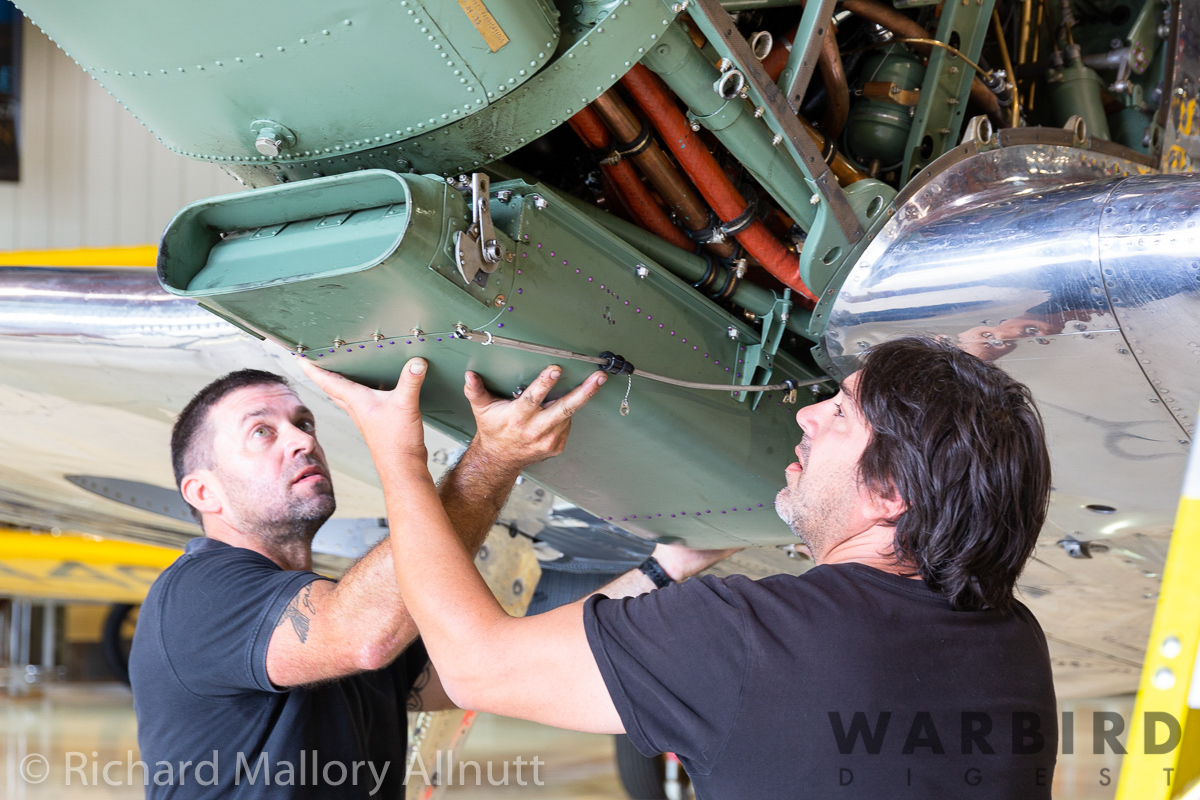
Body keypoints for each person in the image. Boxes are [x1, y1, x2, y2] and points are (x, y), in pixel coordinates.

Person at [302, 335, 1059, 799]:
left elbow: (476, 667)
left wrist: (400, 457)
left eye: (839, 414)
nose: (805, 414)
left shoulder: (755, 638)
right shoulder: (1011, 640)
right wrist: (667, 571)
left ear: (890, 493)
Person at [129, 366, 733, 799]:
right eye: (262, 431)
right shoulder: (196, 596)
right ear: (203, 492)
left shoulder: (338, 617)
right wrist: (487, 458)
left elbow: (504, 665)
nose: (302, 439)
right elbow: (366, 633)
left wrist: (665, 567)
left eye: (303, 421)